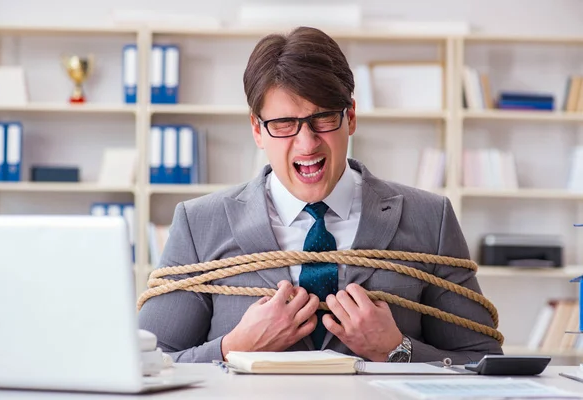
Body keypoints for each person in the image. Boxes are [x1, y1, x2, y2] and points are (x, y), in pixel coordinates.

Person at [138, 26, 503, 364]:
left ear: (351, 117)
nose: (307, 143)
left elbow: (482, 363)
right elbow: (147, 363)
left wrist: (397, 350)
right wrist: (233, 348)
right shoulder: (199, 223)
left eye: (324, 119)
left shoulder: (430, 218)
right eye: (284, 124)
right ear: (257, 129)